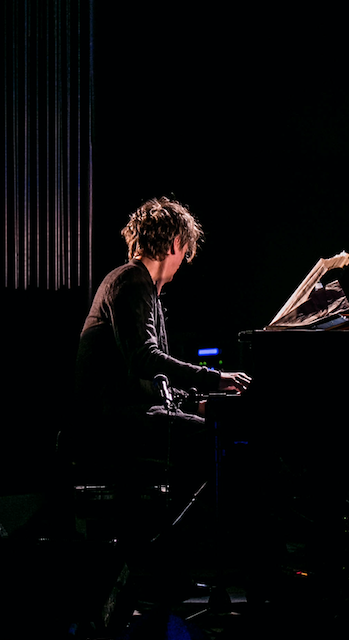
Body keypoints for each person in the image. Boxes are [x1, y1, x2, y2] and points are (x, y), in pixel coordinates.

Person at [73, 196, 250, 470]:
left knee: (221, 432)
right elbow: (144, 359)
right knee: (222, 440)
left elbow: (153, 382)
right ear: (176, 243)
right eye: (185, 251)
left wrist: (194, 404)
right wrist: (215, 378)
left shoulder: (142, 287)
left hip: (128, 411)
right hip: (112, 420)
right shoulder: (130, 281)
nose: (183, 262)